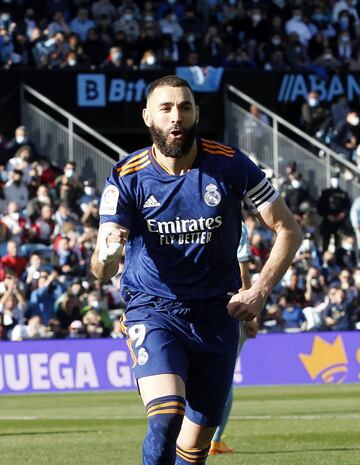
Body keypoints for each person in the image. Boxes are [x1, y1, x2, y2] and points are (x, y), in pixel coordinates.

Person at [91, 75, 302, 465]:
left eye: (185, 108)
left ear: (196, 114)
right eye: (166, 108)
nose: (177, 117)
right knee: (167, 416)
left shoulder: (232, 165)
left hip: (217, 315)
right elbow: (101, 268)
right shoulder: (127, 175)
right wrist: (106, 255)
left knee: (194, 449)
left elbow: (289, 228)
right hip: (154, 310)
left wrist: (258, 292)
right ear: (147, 118)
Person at [209, 223, 258, 455]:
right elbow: (242, 272)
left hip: (192, 306)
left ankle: (186, 436)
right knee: (224, 376)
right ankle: (214, 441)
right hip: (228, 308)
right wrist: (250, 311)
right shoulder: (236, 225)